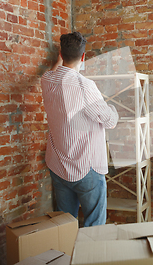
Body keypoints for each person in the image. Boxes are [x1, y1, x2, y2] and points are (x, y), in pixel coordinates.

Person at [41, 32, 119, 227]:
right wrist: (113, 110)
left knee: (64, 228)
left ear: (61, 53)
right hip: (86, 167)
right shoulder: (85, 86)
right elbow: (109, 121)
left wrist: (60, 59)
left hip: (58, 165)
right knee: (94, 227)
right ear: (83, 57)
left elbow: (54, 71)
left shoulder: (47, 80)